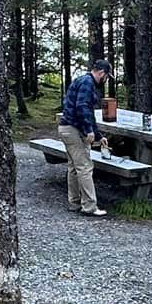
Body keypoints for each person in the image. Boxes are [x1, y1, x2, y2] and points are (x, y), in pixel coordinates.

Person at [59, 59, 110, 217]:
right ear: (101, 73)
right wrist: (89, 131)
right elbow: (82, 107)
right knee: (85, 167)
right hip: (72, 129)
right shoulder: (88, 83)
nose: (106, 80)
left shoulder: (83, 80)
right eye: (106, 76)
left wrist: (99, 135)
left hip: (66, 128)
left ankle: (74, 203)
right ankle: (89, 206)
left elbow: (88, 112)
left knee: (74, 167)